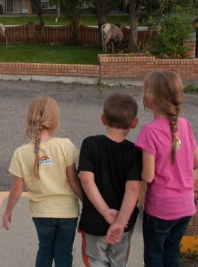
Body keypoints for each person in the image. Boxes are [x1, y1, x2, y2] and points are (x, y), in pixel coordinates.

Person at [2, 95, 83, 267]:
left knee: (45, 250)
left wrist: (8, 211)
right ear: (55, 120)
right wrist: (88, 203)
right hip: (67, 212)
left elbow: (16, 190)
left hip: (41, 213)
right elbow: (74, 181)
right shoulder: (65, 145)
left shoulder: (21, 153)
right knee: (63, 253)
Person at [135, 71, 198, 267]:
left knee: (154, 257)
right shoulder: (185, 124)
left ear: (150, 99)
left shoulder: (150, 131)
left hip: (161, 210)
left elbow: (147, 176)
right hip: (186, 206)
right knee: (172, 254)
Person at [78, 93, 142, 267]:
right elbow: (134, 189)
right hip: (123, 222)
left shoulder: (89, 144)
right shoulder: (135, 152)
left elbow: (86, 180)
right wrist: (120, 221)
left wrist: (106, 211)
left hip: (94, 221)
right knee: (118, 262)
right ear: (134, 123)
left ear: (103, 119)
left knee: (95, 261)